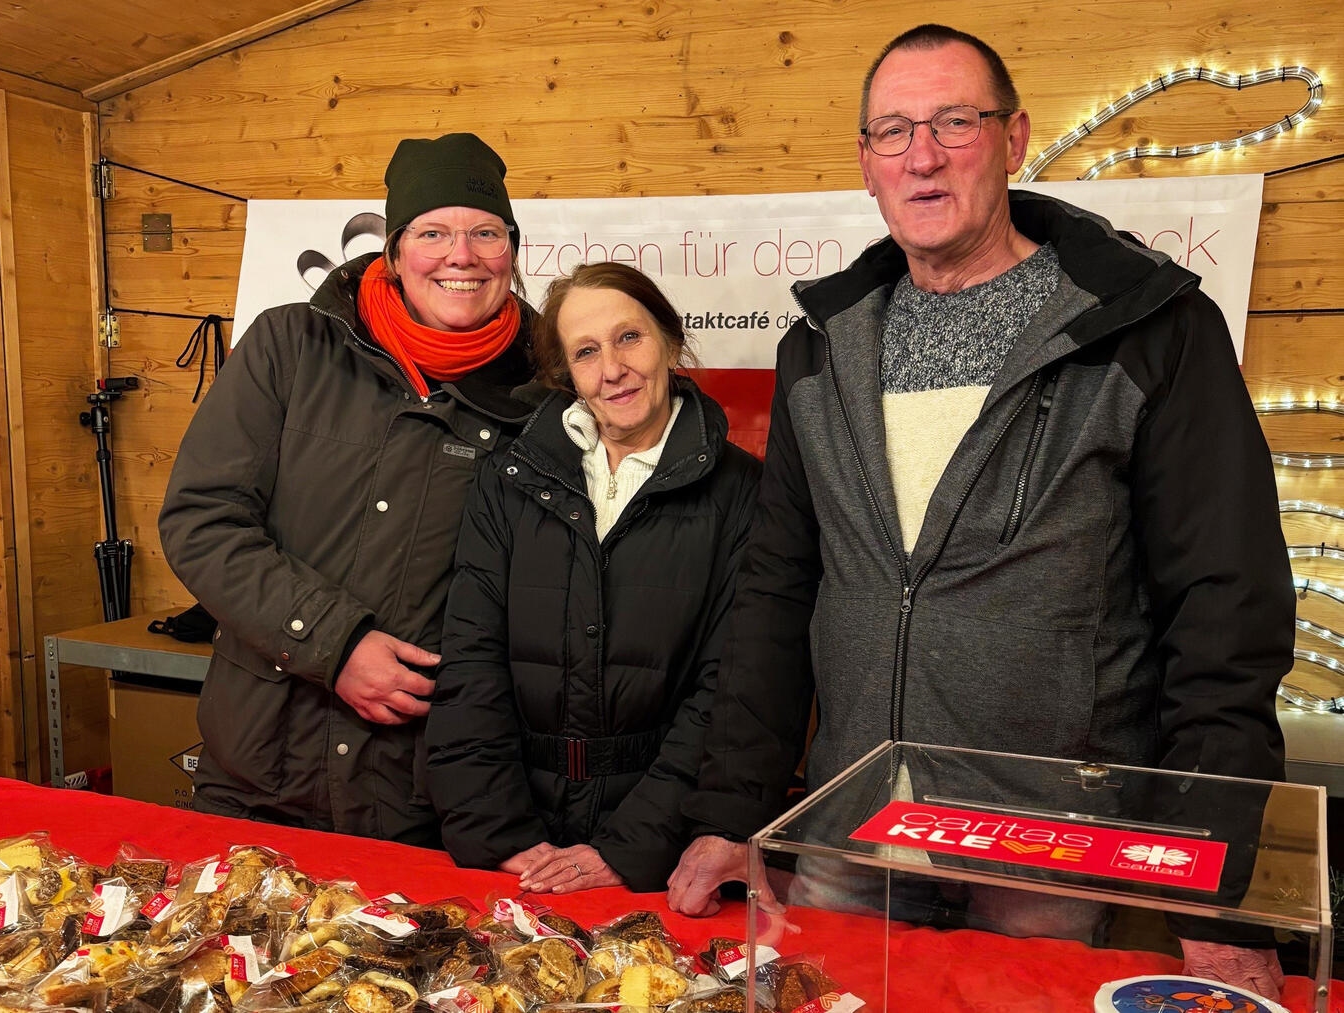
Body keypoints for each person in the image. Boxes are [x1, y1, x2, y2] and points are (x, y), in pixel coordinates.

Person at [667, 24, 1294, 999]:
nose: (922, 154)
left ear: (1013, 138)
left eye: (954, 121)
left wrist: (1217, 884)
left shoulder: (1149, 332)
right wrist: (730, 810)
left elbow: (1226, 618)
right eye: (893, 131)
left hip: (1055, 852)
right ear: (866, 164)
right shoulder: (822, 352)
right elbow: (777, 594)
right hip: (851, 835)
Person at [158, 132, 535, 844]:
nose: (462, 255)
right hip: (256, 781)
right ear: (394, 252)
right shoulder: (289, 347)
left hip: (432, 804)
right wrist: (334, 643)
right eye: (433, 232)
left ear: (511, 251)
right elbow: (201, 521)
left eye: (487, 231)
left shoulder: (547, 388)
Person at [423, 262, 761, 892]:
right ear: (566, 374)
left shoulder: (743, 494)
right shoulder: (508, 480)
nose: (612, 370)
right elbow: (470, 663)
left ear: (669, 339)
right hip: (514, 847)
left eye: (629, 338)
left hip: (661, 856)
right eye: (586, 352)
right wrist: (502, 836)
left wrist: (630, 850)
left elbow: (729, 694)